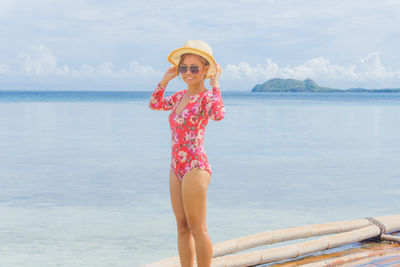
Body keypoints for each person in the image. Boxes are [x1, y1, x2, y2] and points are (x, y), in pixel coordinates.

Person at [149, 40, 225, 267]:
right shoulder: (179, 96)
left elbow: (219, 114)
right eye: (184, 68)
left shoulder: (206, 98)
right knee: (181, 226)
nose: (188, 73)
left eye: (194, 68)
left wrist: (216, 85)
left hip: (195, 166)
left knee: (197, 227)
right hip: (176, 167)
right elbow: (154, 104)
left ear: (204, 70)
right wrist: (165, 79)